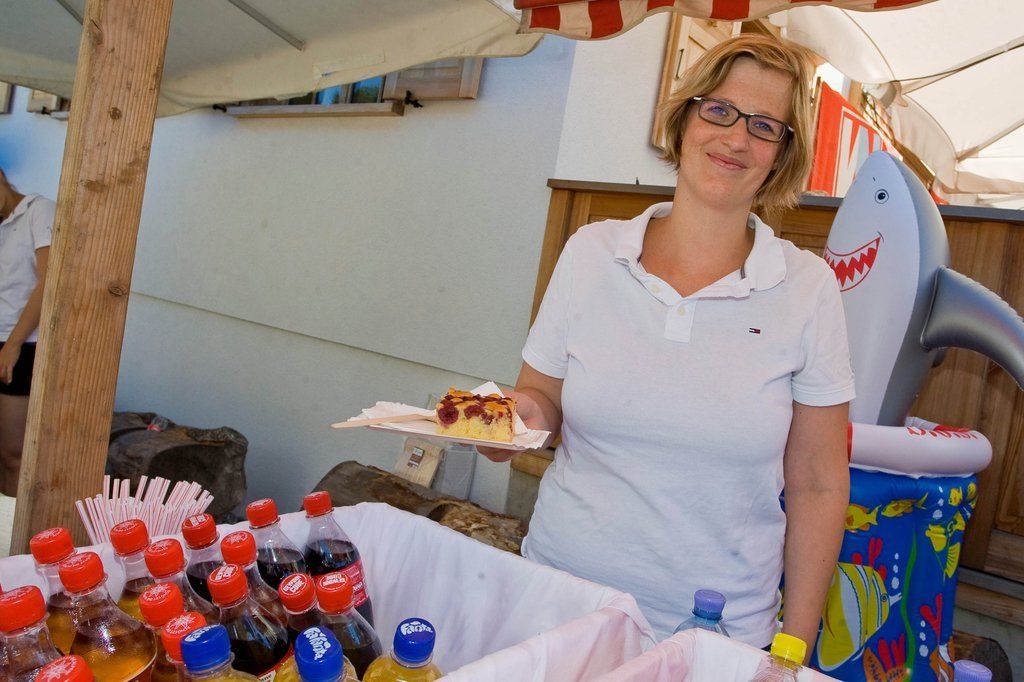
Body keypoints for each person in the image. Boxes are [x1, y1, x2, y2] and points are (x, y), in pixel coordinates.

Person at [479, 35, 853, 654]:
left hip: (712, 636)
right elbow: (542, 401)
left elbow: (817, 481)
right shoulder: (591, 252)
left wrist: (794, 648)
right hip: (556, 601)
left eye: (764, 126)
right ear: (683, 119)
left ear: (783, 155)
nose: (736, 139)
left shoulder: (808, 288)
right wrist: (510, 423)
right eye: (720, 110)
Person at [0, 167, 54, 496]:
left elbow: (48, 283)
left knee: (13, 455)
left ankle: (12, 526)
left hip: (22, 344)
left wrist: (14, 343)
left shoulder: (38, 210)